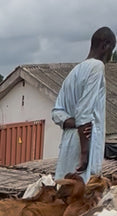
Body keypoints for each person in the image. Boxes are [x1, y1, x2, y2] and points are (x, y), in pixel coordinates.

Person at [51, 27, 116, 181]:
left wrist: (72, 122)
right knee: (84, 198)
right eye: (112, 49)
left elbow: (56, 112)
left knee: (63, 191)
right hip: (84, 148)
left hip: (68, 147)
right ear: (105, 45)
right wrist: (84, 155)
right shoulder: (97, 67)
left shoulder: (74, 72)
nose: (110, 55)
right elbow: (85, 112)